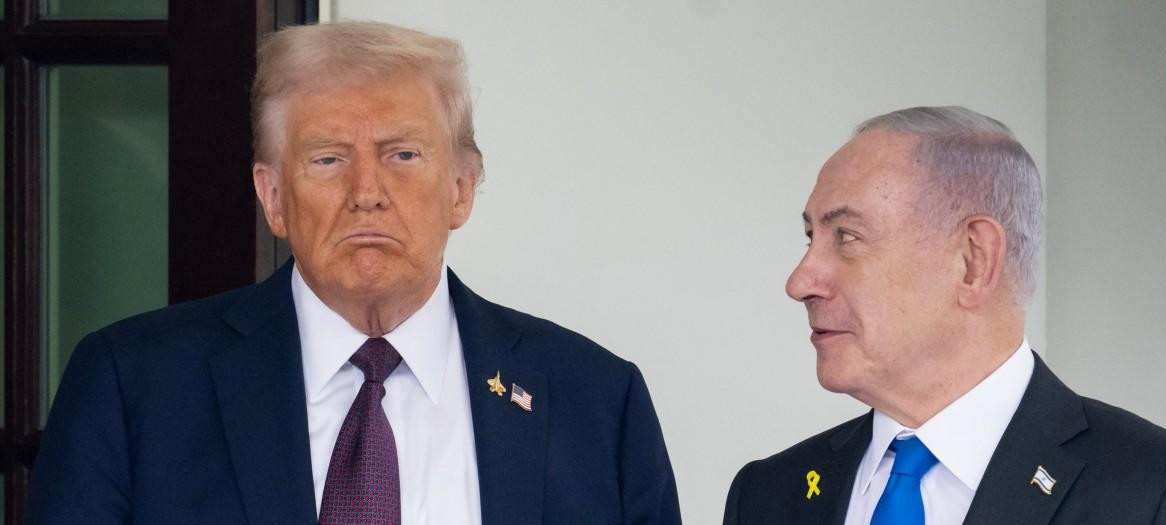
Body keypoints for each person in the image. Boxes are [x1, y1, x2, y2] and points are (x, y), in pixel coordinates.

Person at [28, 21, 680, 525]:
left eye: (402, 153)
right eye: (328, 158)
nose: (366, 191)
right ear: (273, 196)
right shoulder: (132, 388)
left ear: (462, 187)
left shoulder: (597, 402)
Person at [723, 106, 1166, 524]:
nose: (799, 282)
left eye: (846, 237)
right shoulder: (768, 495)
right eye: (811, 239)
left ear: (974, 261)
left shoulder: (1157, 491)